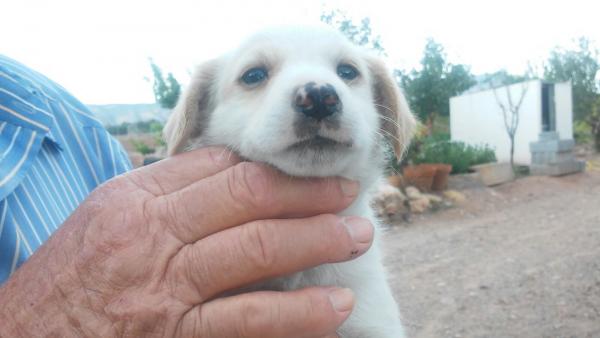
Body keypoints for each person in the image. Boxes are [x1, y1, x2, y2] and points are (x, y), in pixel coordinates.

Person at [0, 55, 374, 337]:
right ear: (197, 117)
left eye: (347, 72)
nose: (318, 95)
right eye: (255, 76)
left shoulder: (66, 121)